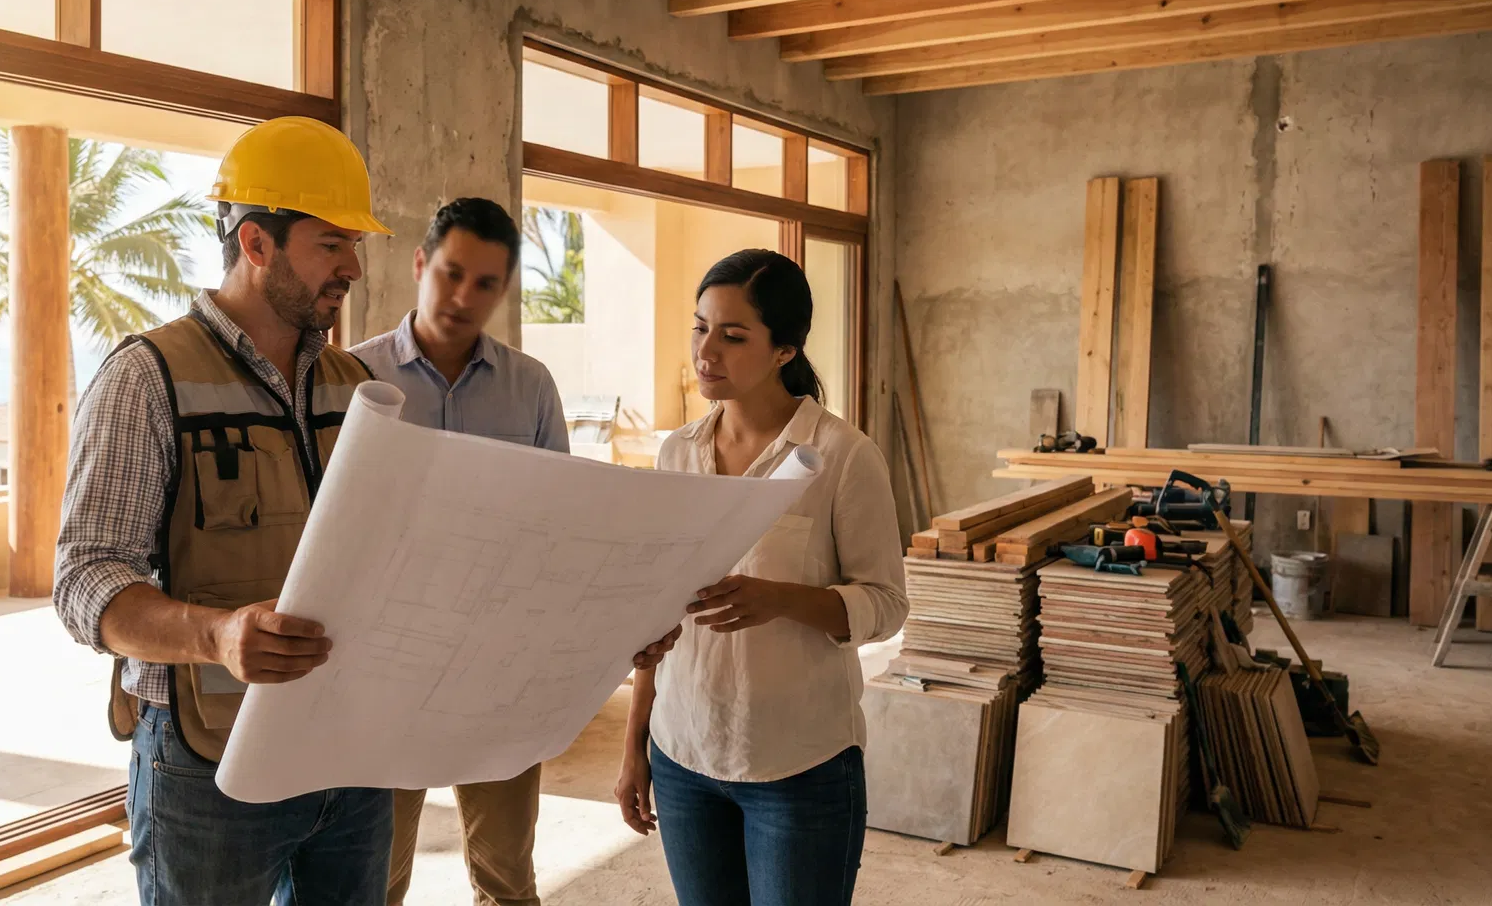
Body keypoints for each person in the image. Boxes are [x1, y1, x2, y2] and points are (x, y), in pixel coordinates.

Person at [52, 116, 398, 905]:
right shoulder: (147, 378)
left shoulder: (358, 389)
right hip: (206, 772)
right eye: (331, 242)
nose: (351, 264)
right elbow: (83, 580)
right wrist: (216, 635)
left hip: (350, 753)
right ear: (256, 245)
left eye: (354, 244)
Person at [348, 196, 679, 906]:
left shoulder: (530, 387)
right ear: (420, 264)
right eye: (451, 273)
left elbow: (563, 531)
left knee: (506, 880)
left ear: (504, 291)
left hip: (498, 670)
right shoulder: (351, 379)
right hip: (386, 670)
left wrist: (618, 624)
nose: (463, 297)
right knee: (371, 882)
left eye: (486, 284)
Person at [613, 248, 908, 906]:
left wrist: (778, 599)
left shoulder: (841, 457)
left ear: (784, 350)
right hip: (683, 755)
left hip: (799, 766)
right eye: (700, 327)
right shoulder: (677, 452)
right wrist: (636, 744)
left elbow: (885, 606)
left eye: (733, 335)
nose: (706, 350)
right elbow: (656, 616)